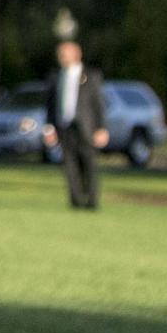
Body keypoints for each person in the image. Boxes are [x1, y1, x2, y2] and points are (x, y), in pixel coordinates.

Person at [41, 38, 109, 211]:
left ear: (77, 54)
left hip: (86, 127)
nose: (61, 57)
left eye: (65, 53)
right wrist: (49, 128)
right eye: (60, 54)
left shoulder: (91, 76)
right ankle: (76, 200)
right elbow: (50, 105)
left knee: (89, 164)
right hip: (64, 126)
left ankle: (92, 200)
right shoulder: (55, 77)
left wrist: (101, 128)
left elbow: (98, 104)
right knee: (69, 165)